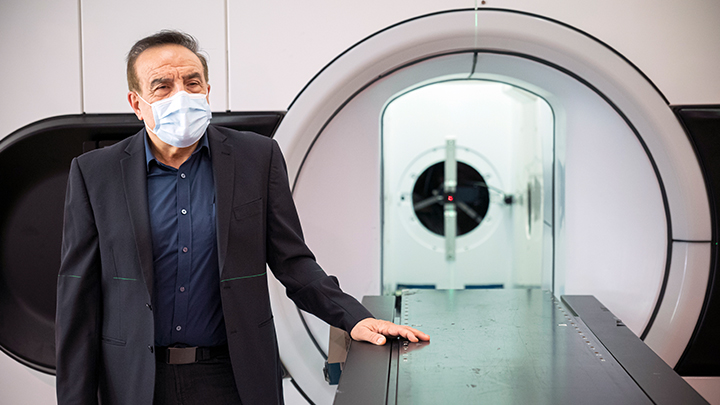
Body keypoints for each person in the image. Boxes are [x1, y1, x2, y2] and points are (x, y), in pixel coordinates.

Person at [55, 30, 428, 405]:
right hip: (134, 381)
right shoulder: (95, 174)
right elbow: (78, 295)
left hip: (233, 376)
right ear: (137, 103)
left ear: (207, 89)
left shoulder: (256, 157)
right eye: (162, 86)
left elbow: (294, 263)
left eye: (192, 82)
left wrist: (354, 318)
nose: (181, 95)